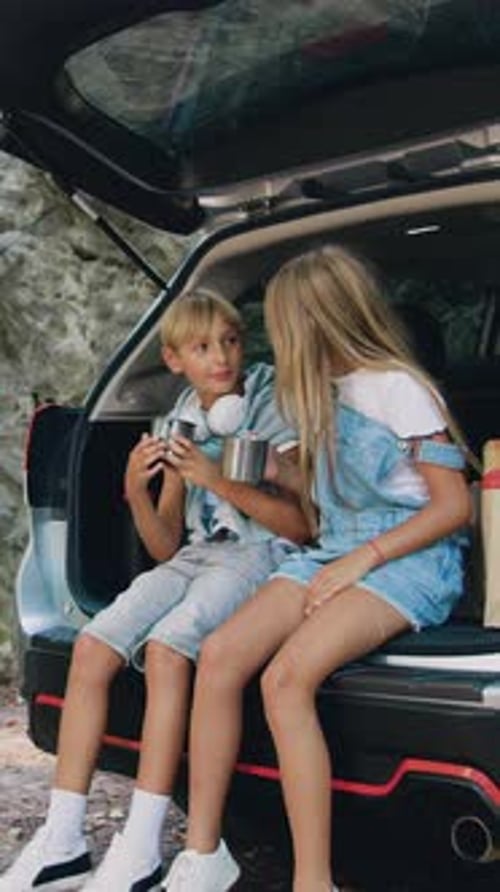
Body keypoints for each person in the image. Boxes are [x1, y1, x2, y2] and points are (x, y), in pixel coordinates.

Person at [162, 246, 473, 892]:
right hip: (338, 548)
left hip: (410, 557)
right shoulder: (317, 393)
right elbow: (324, 499)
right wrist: (278, 470)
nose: (270, 340)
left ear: (314, 321)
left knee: (285, 681)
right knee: (219, 656)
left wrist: (365, 559)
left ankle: (313, 882)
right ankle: (203, 855)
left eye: (279, 324)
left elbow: (455, 508)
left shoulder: (399, 387)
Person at [0, 290, 310, 892]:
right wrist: (137, 491)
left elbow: (300, 524)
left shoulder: (273, 401)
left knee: (169, 650)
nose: (221, 357)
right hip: (195, 556)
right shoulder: (179, 419)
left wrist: (218, 477)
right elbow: (166, 545)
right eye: (202, 347)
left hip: (255, 553)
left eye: (230, 341)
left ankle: (142, 844)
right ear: (174, 361)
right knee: (92, 648)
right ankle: (62, 840)